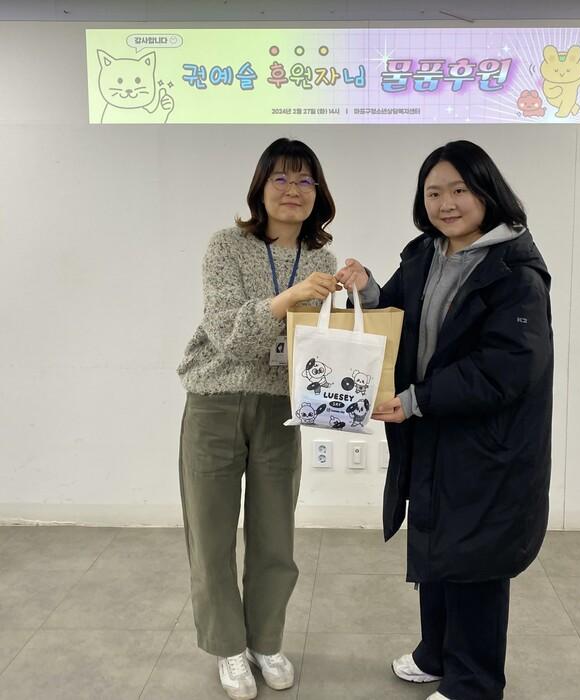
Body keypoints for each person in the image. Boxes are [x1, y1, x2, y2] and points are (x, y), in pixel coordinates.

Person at [336, 140, 553, 700]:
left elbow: (505, 369)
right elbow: (399, 315)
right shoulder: (424, 254)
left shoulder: (515, 273)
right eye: (434, 192)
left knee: (475, 559)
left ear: (487, 192)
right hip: (432, 431)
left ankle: (474, 683)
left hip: (486, 443)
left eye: (460, 189)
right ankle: (436, 653)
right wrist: (367, 288)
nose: (446, 203)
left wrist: (415, 400)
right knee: (436, 545)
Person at [177, 138, 339, 700]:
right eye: (281, 179)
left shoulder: (322, 260)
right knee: (211, 534)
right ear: (260, 187)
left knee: (275, 535)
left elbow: (320, 343)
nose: (293, 190)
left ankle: (265, 641)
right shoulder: (225, 246)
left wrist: (355, 290)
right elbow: (227, 333)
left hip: (280, 407)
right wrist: (289, 298)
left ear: (318, 193)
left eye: (305, 180)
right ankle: (228, 646)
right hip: (215, 400)